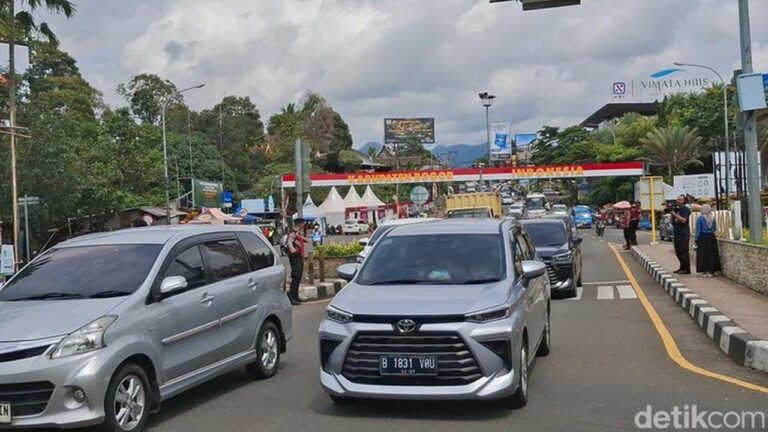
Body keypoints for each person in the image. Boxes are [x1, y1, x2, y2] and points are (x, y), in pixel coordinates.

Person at [695, 204, 721, 277]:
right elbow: (714, 229)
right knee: (711, 254)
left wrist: (696, 239)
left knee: (703, 254)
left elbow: (698, 230)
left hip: (703, 237)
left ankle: (705, 271)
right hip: (711, 237)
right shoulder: (713, 218)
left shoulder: (700, 218)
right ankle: (711, 271)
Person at [286, 218, 307, 305]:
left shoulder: (297, 233)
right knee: (295, 276)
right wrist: (293, 250)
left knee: (298, 277)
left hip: (299, 257)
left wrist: (304, 240)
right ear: (300, 224)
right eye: (303, 223)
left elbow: (299, 240)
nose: (304, 225)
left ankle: (296, 295)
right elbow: (289, 243)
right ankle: (291, 296)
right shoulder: (293, 233)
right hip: (295, 257)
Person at [671, 195, 692, 274]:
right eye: (678, 199)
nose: (678, 201)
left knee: (684, 251)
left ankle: (686, 269)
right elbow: (674, 222)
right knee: (678, 251)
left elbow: (683, 220)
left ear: (684, 201)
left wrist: (674, 215)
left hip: (683, 233)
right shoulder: (677, 209)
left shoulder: (685, 210)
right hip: (677, 233)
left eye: (680, 200)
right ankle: (682, 267)